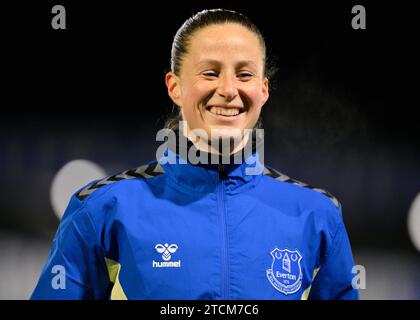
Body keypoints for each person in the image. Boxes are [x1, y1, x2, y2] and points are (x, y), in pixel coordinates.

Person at [31, 9, 358, 300]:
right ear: (175, 87)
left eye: (244, 74)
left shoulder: (317, 216)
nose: (229, 90)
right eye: (210, 73)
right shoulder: (102, 210)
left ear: (263, 90)